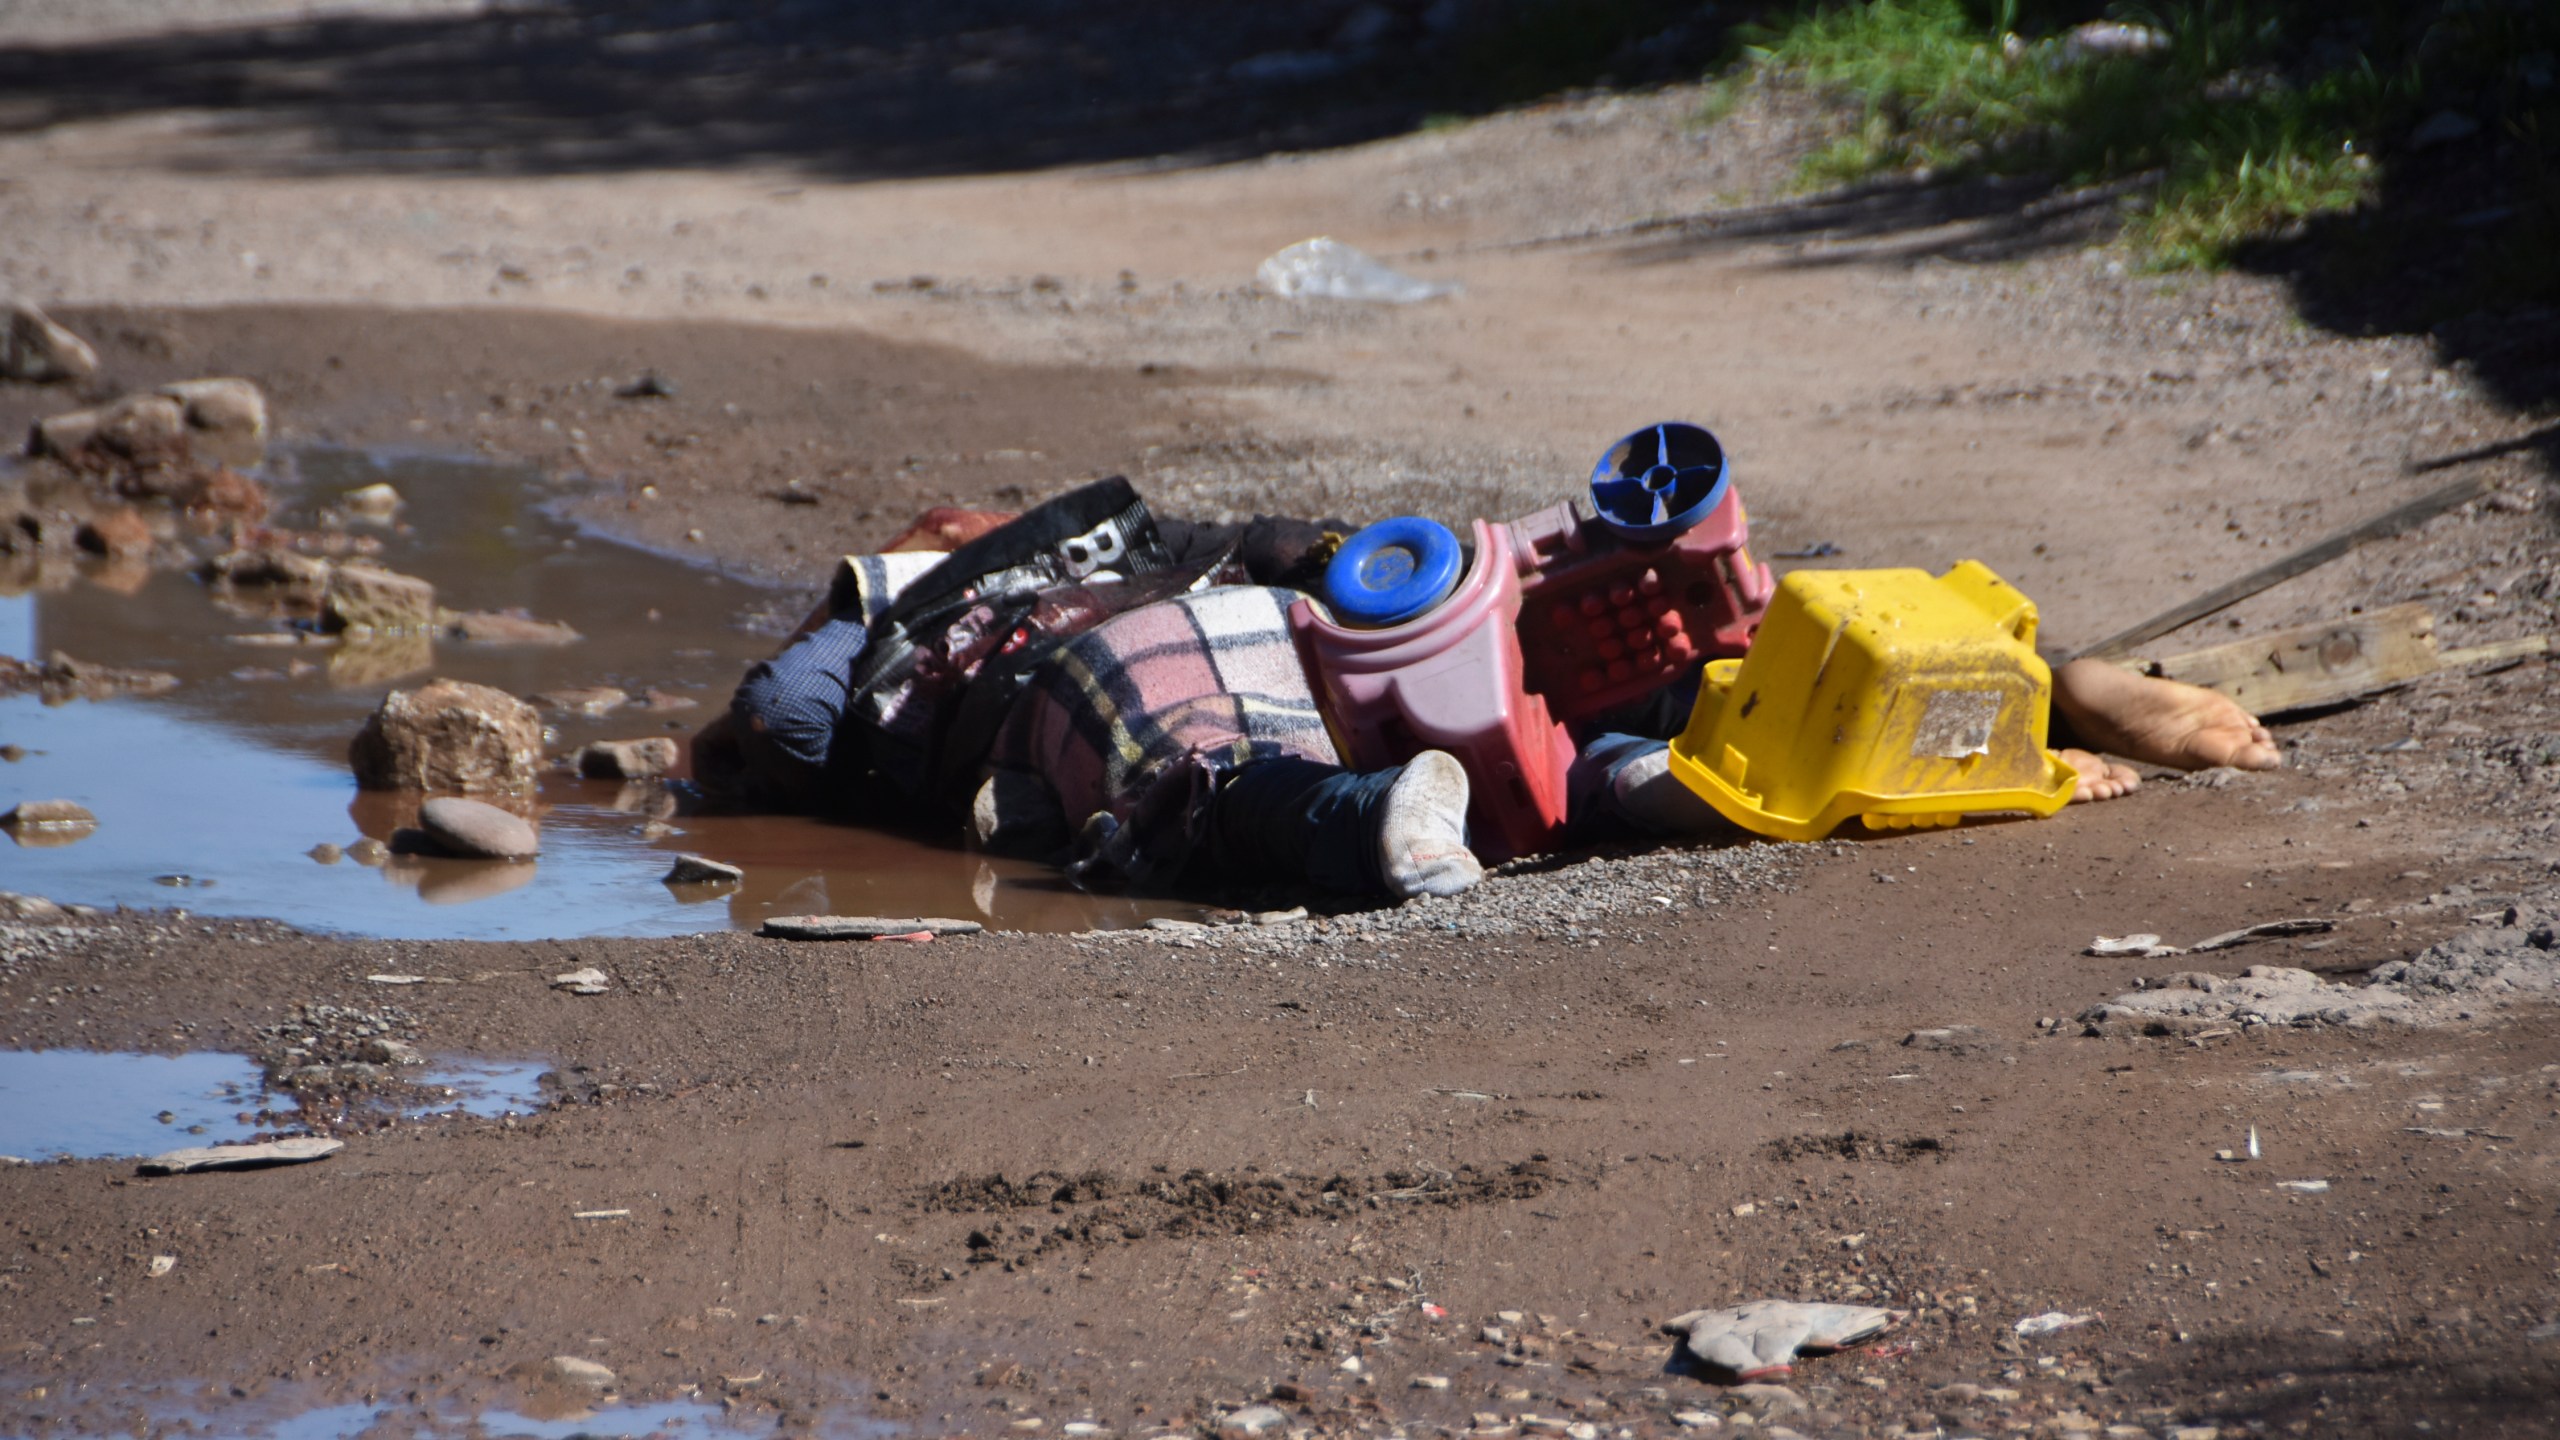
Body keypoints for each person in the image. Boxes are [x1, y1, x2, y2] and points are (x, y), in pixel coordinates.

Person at [693, 480, 2280, 903]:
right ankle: (2019, 682)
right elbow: (1274, 538)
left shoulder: (920, 608)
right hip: (1328, 618)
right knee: (1589, 642)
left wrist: (716, 774)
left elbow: (783, 726)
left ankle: (1381, 819)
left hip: (1151, 668)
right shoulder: (1127, 540)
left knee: (1182, 755)